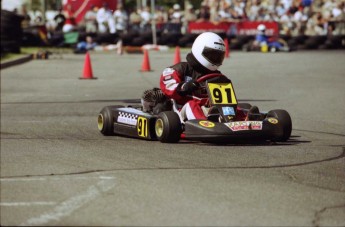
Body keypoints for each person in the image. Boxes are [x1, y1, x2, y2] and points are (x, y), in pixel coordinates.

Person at [157, 32, 251, 121]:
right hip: (181, 111)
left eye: (218, 56)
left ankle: (247, 120)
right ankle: (205, 123)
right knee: (191, 105)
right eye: (212, 55)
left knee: (236, 107)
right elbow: (167, 85)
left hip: (210, 109)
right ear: (199, 50)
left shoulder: (217, 76)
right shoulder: (181, 68)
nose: (215, 59)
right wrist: (184, 87)